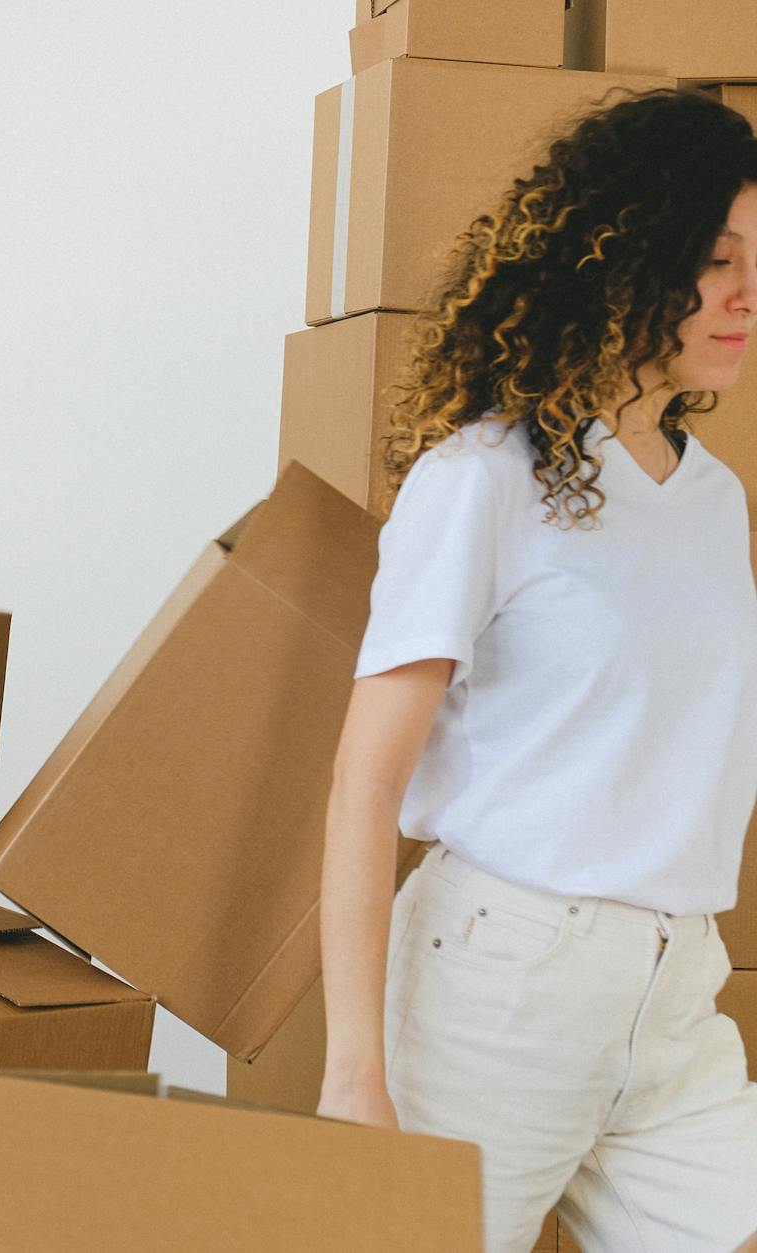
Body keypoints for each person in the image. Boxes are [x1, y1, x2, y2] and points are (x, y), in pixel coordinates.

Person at [317, 87, 757, 1252]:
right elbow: (364, 783)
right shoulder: (483, 476)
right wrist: (351, 1071)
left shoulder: (713, 500)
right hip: (497, 985)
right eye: (712, 260)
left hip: (674, 988)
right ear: (621, 258)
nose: (744, 294)